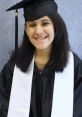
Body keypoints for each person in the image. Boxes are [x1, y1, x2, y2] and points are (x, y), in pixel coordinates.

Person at [0, 0, 82, 117]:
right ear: (26, 29)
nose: (38, 31)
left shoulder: (75, 68)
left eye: (45, 23)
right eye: (32, 25)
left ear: (56, 25)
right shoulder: (12, 70)